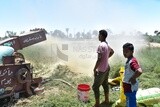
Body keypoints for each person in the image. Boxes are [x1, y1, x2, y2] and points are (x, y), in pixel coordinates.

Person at [92, 30, 114, 107]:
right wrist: (106, 58)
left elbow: (99, 59)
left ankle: (97, 104)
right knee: (105, 84)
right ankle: (107, 100)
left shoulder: (101, 46)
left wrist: (95, 69)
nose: (98, 36)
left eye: (99, 35)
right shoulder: (107, 45)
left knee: (95, 87)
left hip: (101, 69)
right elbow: (112, 52)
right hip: (107, 67)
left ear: (101, 36)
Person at [122, 43, 142, 107]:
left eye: (126, 52)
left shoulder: (132, 62)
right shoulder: (129, 60)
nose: (124, 53)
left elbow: (139, 71)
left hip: (130, 87)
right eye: (123, 51)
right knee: (129, 101)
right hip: (128, 86)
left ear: (132, 52)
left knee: (131, 102)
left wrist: (133, 78)